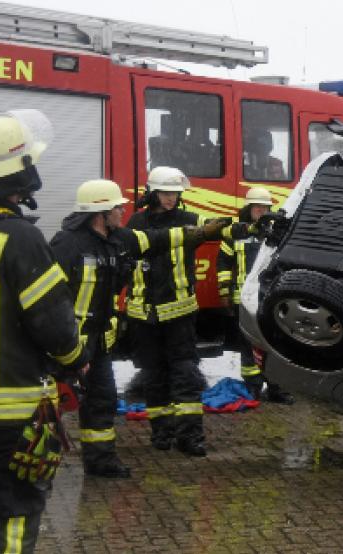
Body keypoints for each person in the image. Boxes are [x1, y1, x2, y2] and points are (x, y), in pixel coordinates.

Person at [49, 179, 238, 476]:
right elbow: (49, 299)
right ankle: (40, 459)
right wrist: (60, 344)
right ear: (101, 211)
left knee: (103, 401)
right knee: (55, 403)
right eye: (116, 208)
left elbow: (159, 239)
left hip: (98, 343)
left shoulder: (119, 239)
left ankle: (101, 462)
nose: (122, 211)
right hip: (68, 342)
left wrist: (199, 233)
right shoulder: (67, 244)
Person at [0, 110, 89, 552]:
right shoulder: (19, 237)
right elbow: (56, 328)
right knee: (10, 518)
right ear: (15, 174)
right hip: (8, 414)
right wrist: (76, 361)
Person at [126, 166, 253, 456]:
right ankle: (161, 432)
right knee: (153, 375)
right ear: (153, 193)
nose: (171, 199)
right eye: (166, 193)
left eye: (175, 193)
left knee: (185, 373)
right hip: (143, 315)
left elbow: (221, 227)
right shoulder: (136, 221)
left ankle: (190, 436)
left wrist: (249, 227)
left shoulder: (189, 219)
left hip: (179, 313)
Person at [216, 187, 293, 404]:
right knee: (247, 345)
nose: (260, 211)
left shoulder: (279, 234)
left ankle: (277, 387)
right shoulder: (237, 233)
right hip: (245, 299)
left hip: (269, 299)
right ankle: (253, 387)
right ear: (249, 208)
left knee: (275, 345)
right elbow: (223, 263)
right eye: (256, 207)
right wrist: (224, 292)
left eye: (264, 207)